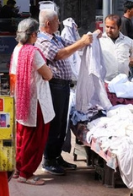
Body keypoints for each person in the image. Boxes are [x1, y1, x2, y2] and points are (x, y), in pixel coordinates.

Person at [35, 9, 94, 176]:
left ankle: (56, 155)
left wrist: (86, 40)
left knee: (62, 123)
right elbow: (59, 55)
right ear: (48, 24)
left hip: (63, 85)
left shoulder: (56, 37)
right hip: (53, 86)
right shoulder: (42, 40)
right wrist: (81, 43)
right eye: (57, 21)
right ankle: (49, 159)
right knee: (54, 123)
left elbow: (69, 44)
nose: (59, 23)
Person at [11, 18, 54, 185]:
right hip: (36, 101)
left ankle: (18, 169)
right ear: (34, 35)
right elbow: (47, 75)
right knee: (35, 139)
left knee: (22, 136)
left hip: (21, 99)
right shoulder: (33, 52)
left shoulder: (17, 49)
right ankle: (26, 174)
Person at [99, 14, 133, 80]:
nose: (109, 30)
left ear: (119, 28)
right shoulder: (99, 40)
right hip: (105, 82)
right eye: (107, 27)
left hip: (123, 82)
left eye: (112, 28)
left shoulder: (127, 41)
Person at [120, 1, 133, 78]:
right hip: (129, 53)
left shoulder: (128, 20)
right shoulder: (124, 21)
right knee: (132, 76)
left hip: (132, 51)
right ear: (128, 11)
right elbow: (124, 38)